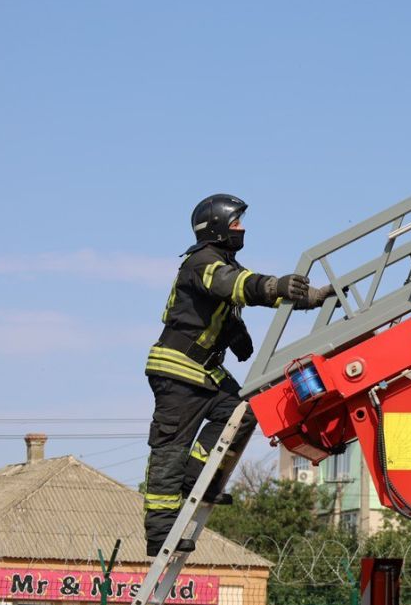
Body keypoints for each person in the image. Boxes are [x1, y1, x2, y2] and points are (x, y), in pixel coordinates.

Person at [143, 193, 332, 557]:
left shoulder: (220, 262)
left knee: (242, 411)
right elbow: (236, 285)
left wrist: (310, 297)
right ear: (216, 228)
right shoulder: (202, 262)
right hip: (178, 370)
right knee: (171, 448)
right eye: (236, 223)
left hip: (204, 371)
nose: (242, 229)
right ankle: (160, 530)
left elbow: (232, 298)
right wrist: (275, 285)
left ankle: (198, 478)